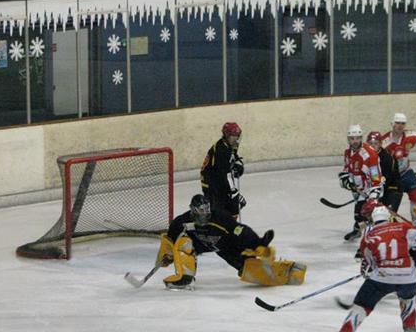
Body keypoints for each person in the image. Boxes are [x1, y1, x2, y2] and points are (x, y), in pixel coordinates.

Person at [155, 195, 306, 290]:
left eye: (206, 209)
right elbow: (170, 238)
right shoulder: (182, 222)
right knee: (183, 242)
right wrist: (167, 254)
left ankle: (289, 271)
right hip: (200, 245)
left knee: (249, 269)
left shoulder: (220, 218)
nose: (205, 213)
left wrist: (257, 244)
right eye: (201, 210)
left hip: (225, 245)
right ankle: (185, 278)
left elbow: (240, 230)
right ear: (193, 210)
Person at [333, 201, 416, 332]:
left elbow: (369, 261)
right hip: (408, 277)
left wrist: (377, 268)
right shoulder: (404, 227)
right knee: (408, 299)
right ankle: (410, 329)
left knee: (362, 306)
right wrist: (415, 260)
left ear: (372, 219)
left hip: (382, 278)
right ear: (389, 217)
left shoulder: (368, 236)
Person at [339, 124, 384, 241]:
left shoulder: (370, 155)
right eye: (352, 138)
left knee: (364, 216)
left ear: (361, 138)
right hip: (359, 191)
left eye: (358, 138)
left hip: (370, 191)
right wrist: (345, 180)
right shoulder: (348, 153)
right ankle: (361, 232)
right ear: (348, 139)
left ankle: (369, 240)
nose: (355, 141)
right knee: (359, 216)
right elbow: (347, 169)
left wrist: (373, 197)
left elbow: (376, 179)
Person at [200, 122, 246, 219]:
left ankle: (229, 225)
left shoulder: (229, 145)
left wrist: (238, 164)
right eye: (233, 136)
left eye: (237, 136)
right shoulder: (221, 150)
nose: (236, 139)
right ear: (226, 136)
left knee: (233, 207)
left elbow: (233, 157)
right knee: (220, 212)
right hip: (211, 185)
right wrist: (234, 193)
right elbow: (224, 175)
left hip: (218, 181)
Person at [367, 130, 403, 213]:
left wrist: (374, 192)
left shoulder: (387, 158)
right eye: (370, 144)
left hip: (393, 189)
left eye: (375, 143)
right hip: (380, 188)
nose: (373, 146)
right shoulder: (367, 156)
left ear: (380, 144)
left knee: (386, 214)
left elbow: (384, 178)